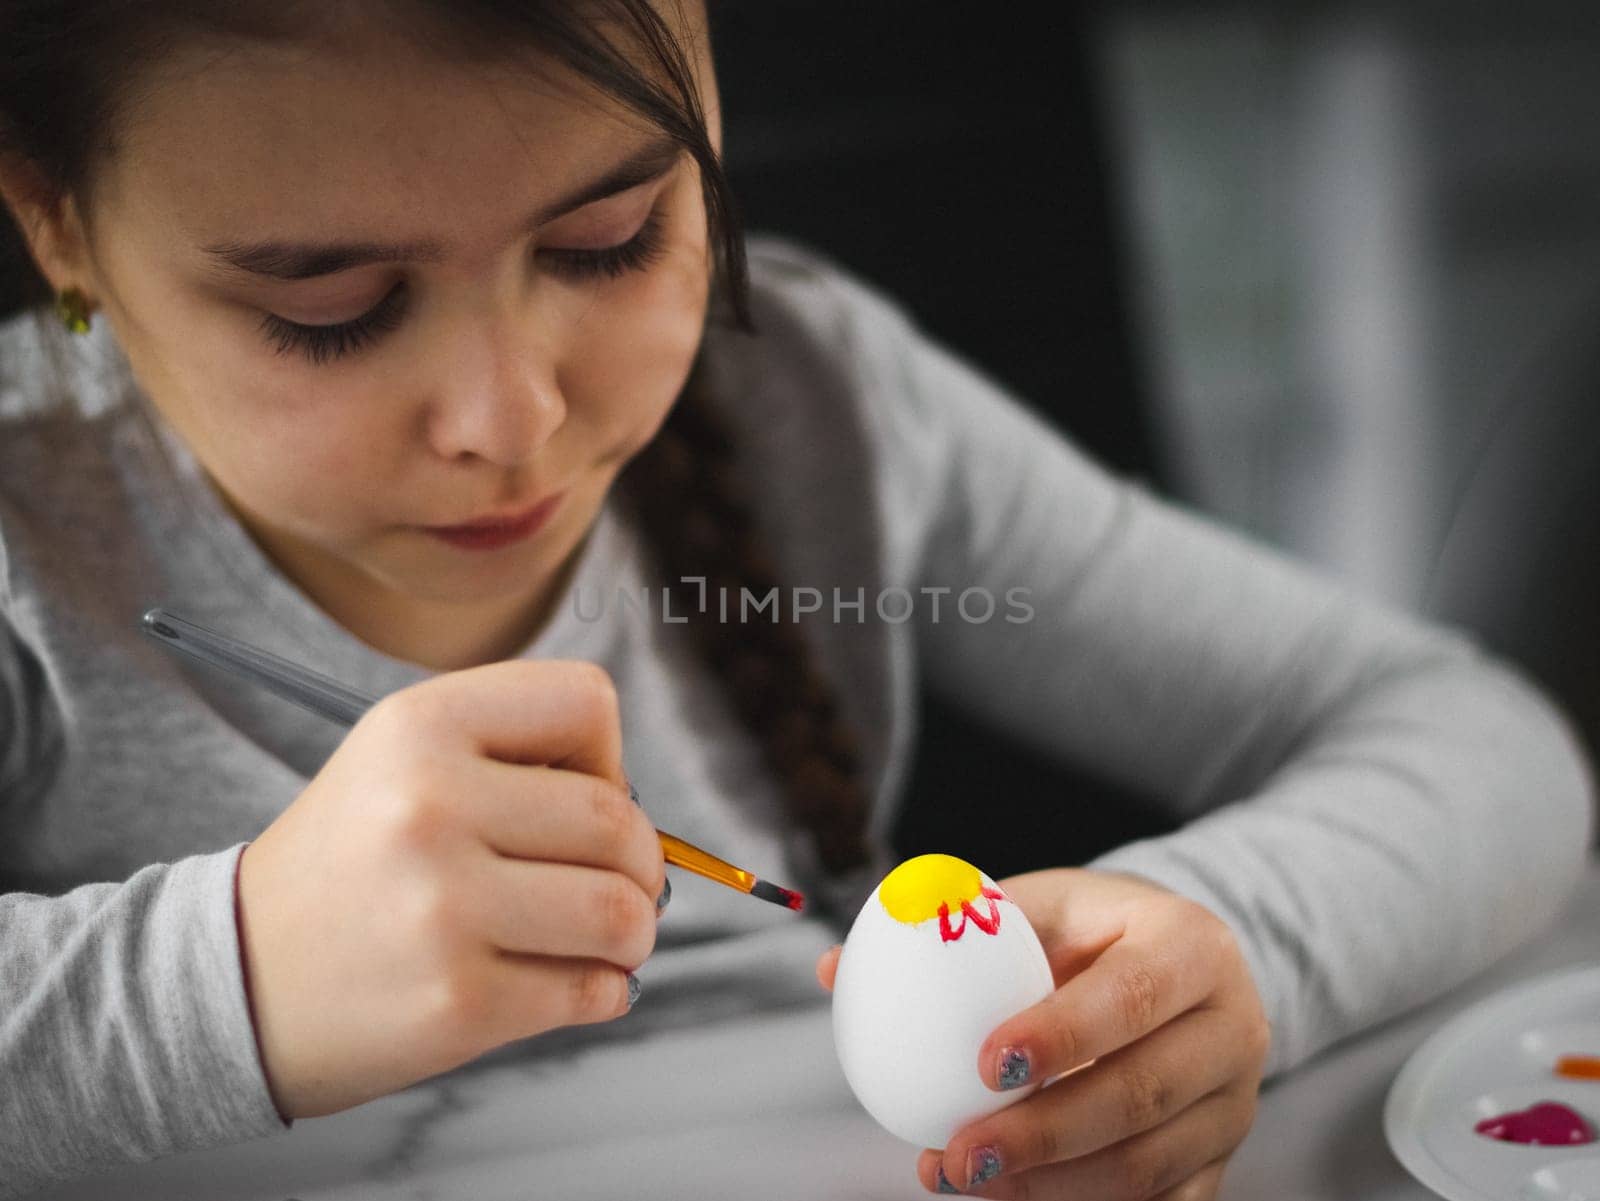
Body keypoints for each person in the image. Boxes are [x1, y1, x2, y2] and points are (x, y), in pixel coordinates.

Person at [0, 2, 1591, 1198]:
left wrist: (1230, 949)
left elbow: (1473, 737)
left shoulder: (815, 410)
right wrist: (231, 980)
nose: (512, 419)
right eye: (331, 312)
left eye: (614, 238)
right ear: (57, 219)